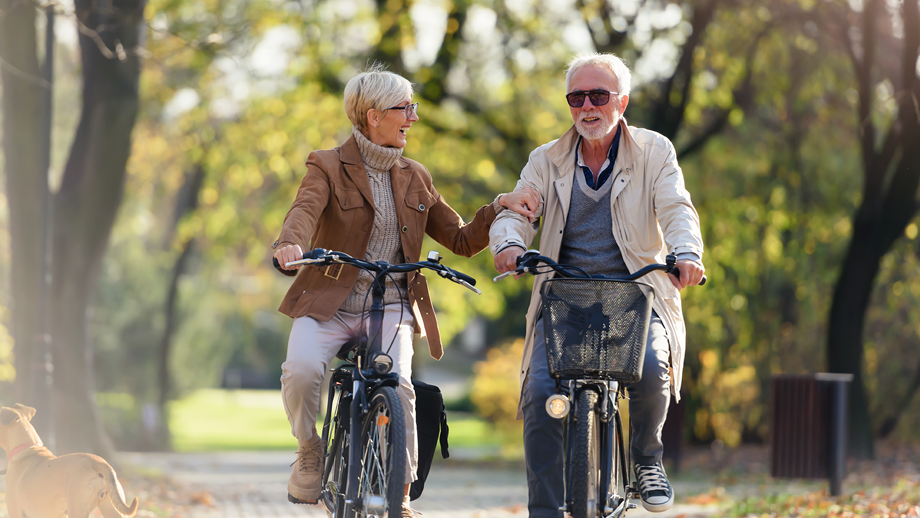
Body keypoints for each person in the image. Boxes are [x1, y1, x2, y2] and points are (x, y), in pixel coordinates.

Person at [272, 64, 539, 517]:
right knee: (299, 371)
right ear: (373, 115)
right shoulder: (327, 165)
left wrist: (499, 206)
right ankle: (310, 449)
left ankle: (398, 490)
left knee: (400, 388)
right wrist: (289, 243)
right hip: (328, 305)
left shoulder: (415, 175)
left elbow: (459, 238)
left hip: (392, 304)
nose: (413, 117)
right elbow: (304, 209)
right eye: (405, 108)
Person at [490, 53, 705, 516]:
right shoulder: (545, 160)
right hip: (564, 300)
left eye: (599, 96)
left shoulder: (654, 151)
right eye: (576, 97)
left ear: (621, 102)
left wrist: (687, 253)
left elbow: (676, 208)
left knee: (651, 370)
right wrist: (508, 244)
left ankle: (647, 459)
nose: (587, 106)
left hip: (636, 298)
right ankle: (546, 511)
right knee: (541, 396)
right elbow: (517, 211)